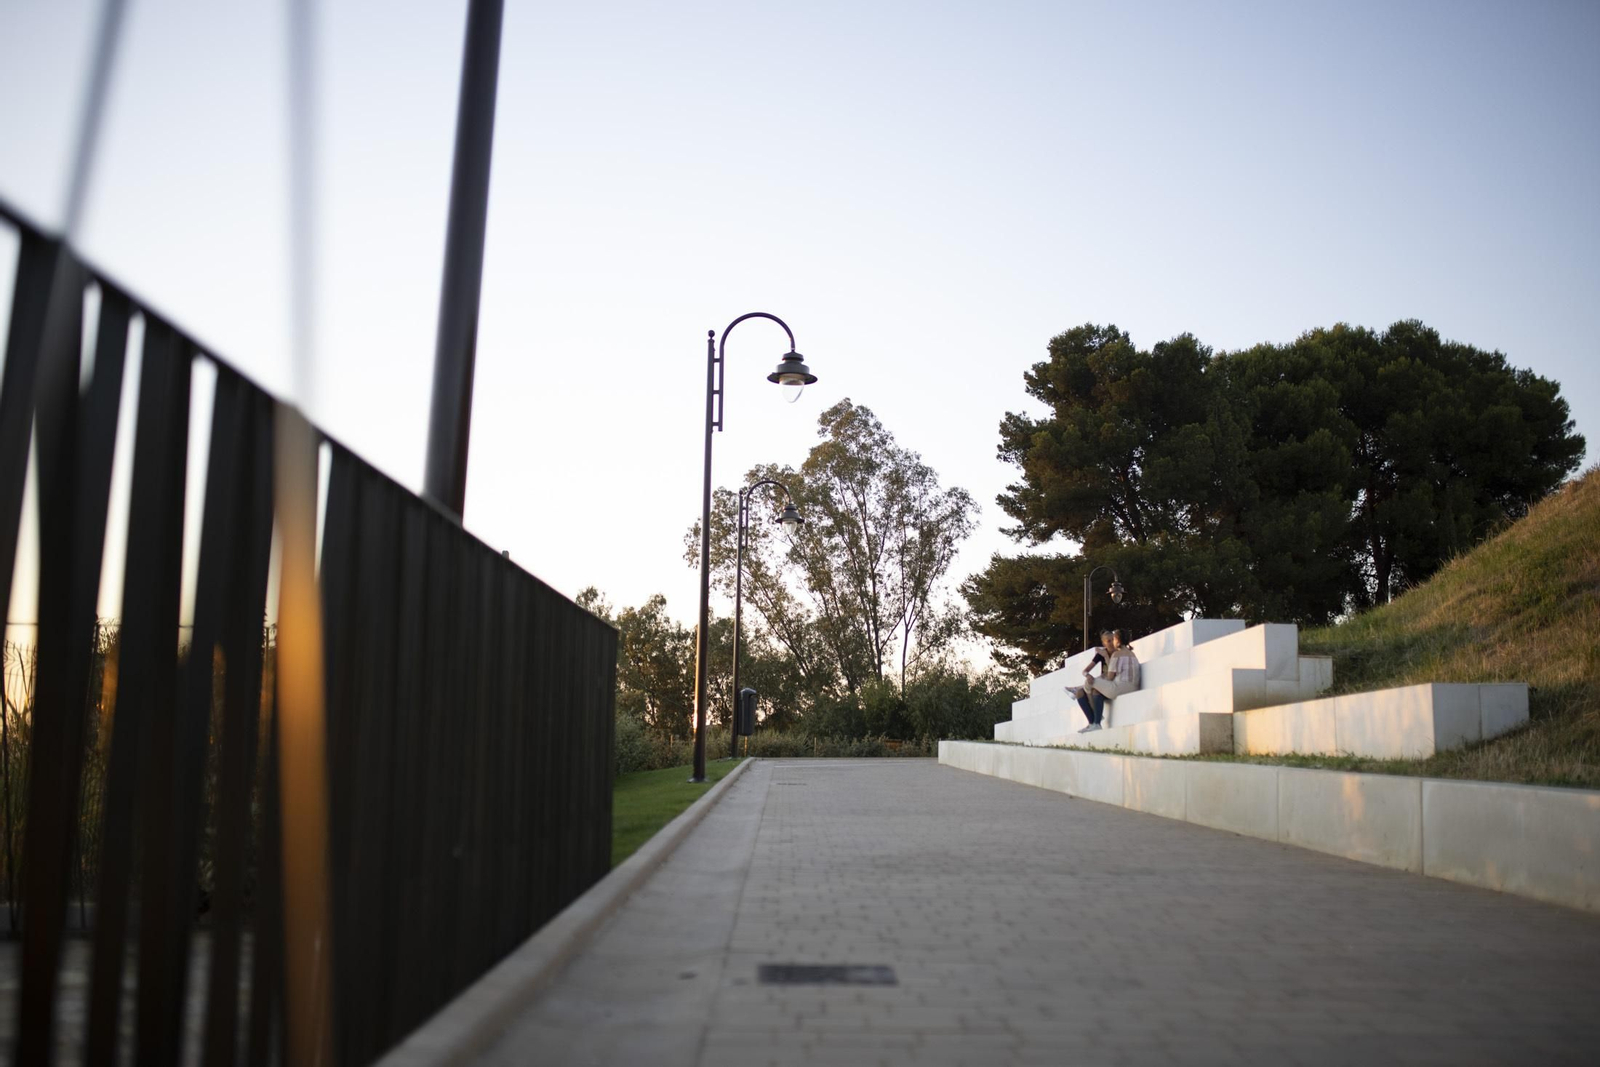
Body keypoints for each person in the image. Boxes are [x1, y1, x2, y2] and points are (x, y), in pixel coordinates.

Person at [1075, 629, 1140, 732]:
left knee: (1088, 682)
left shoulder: (1116, 654)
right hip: (1134, 687)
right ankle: (1095, 723)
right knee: (1094, 690)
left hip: (1119, 689)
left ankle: (1096, 716)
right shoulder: (1133, 654)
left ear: (1117, 640)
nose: (1112, 641)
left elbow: (1110, 677)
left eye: (1113, 639)